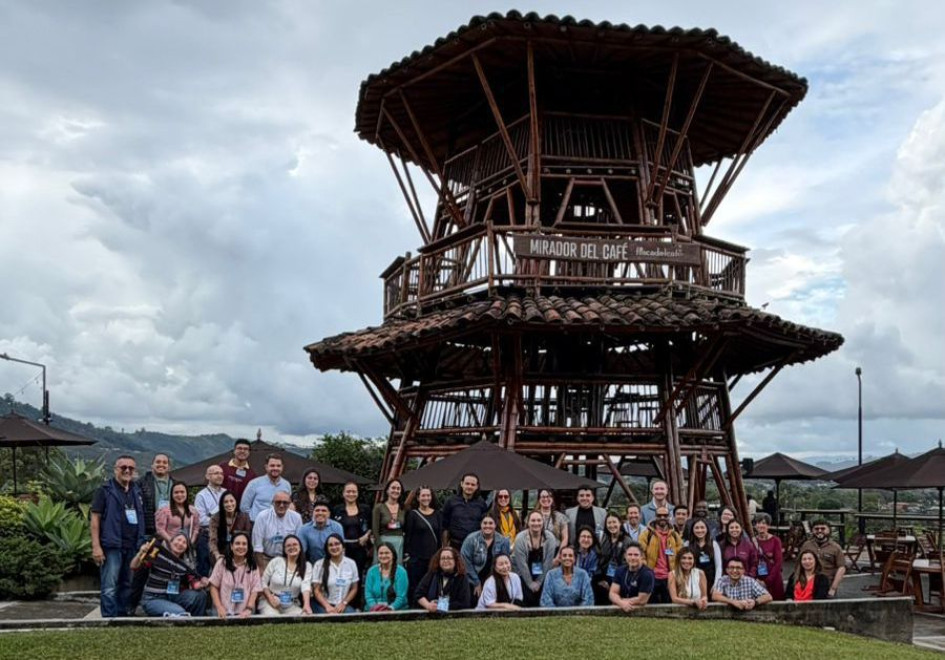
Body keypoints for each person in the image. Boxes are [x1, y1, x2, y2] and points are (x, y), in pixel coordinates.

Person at [90, 455, 146, 618]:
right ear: (116, 469)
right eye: (123, 467)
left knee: (127, 584)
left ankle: (122, 616)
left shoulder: (136, 490)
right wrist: (96, 546)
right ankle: (108, 618)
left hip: (133, 545)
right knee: (109, 585)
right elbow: (95, 519)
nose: (127, 470)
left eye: (131, 468)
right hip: (112, 545)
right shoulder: (104, 490)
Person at [132, 534, 208, 617]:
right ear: (171, 541)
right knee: (180, 613)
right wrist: (140, 553)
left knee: (200, 595)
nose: (180, 544)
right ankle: (148, 611)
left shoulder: (184, 565)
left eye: (184, 542)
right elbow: (134, 566)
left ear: (186, 547)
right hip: (153, 598)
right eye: (178, 540)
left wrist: (202, 583)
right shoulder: (158, 555)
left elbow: (194, 584)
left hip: (173, 596)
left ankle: (195, 623)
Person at [403, 486, 442, 606]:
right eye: (423, 496)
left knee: (432, 583)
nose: (426, 498)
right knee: (415, 584)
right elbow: (408, 536)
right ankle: (414, 607)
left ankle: (432, 605)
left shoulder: (437, 514)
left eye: (428, 495)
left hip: (433, 556)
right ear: (418, 498)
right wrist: (407, 554)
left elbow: (440, 535)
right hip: (417, 557)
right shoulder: (413, 514)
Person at [209, 531, 262, 618]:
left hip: (245, 612)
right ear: (231, 546)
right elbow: (213, 586)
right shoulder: (222, 563)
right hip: (223, 610)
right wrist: (219, 607)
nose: (241, 546)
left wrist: (248, 609)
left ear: (248, 547)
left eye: (244, 544)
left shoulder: (253, 565)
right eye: (237, 543)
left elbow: (255, 590)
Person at [638, 505, 684, 604]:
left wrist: (676, 573)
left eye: (665, 515)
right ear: (655, 516)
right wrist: (647, 570)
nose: (662, 518)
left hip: (669, 577)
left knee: (668, 604)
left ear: (669, 517)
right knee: (651, 605)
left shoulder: (675, 536)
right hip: (652, 576)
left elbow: (681, 555)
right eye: (659, 515)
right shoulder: (646, 534)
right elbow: (641, 554)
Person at [512, 510, 558, 606]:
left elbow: (548, 563)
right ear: (527, 522)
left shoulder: (550, 538)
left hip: (543, 573)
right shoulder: (520, 538)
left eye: (538, 520)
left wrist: (539, 582)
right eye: (533, 520)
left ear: (543, 522)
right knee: (527, 596)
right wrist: (530, 584)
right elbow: (522, 564)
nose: (536, 523)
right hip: (523, 574)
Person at [259, 534, 312, 615]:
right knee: (273, 618)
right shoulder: (276, 561)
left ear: (300, 547)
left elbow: (306, 586)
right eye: (288, 546)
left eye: (295, 544)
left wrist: (306, 605)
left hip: (291, 605)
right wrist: (270, 598)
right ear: (284, 549)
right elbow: (263, 581)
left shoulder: (307, 566)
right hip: (270, 602)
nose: (292, 547)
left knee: (304, 617)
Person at [251, 491, 303, 572]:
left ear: (290, 504)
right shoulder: (262, 517)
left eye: (285, 503)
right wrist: (261, 568)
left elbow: (298, 544)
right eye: (278, 502)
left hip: (288, 559)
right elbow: (257, 546)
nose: (281, 505)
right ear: (272, 503)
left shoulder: (296, 518)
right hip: (265, 558)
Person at [461, 514, 511, 596]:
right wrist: (476, 582)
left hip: (495, 578)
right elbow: (465, 561)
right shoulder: (471, 539)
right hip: (473, 577)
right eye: (485, 523)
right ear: (481, 524)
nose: (487, 526)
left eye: (491, 523)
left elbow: (505, 563)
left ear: (495, 525)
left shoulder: (503, 541)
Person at [332, 481, 372, 580]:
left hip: (360, 548)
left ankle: (357, 595)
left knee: (357, 576)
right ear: (343, 493)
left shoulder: (365, 509)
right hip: (341, 549)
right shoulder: (337, 509)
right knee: (341, 576)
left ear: (357, 493)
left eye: (354, 491)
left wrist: (366, 536)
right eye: (348, 491)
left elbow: (372, 526)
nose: (351, 494)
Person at [311, 533, 359, 614]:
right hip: (323, 604)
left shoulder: (351, 563)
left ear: (343, 546)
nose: (334, 547)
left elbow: (354, 588)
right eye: (330, 545)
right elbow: (316, 591)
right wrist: (327, 606)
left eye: (337, 544)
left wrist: (344, 603)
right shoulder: (319, 564)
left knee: (352, 619)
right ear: (327, 548)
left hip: (343, 604)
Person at [415, 546, 472, 613]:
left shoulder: (462, 577)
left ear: (455, 561)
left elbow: (465, 603)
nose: (445, 561)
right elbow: (418, 594)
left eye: (449, 558)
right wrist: (428, 605)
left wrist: (441, 606)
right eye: (442, 558)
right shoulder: (432, 574)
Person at [799, 519, 846, 597]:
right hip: (807, 585)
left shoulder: (835, 547)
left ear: (829, 530)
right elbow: (799, 564)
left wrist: (833, 588)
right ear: (812, 530)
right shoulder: (806, 545)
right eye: (816, 529)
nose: (819, 531)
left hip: (828, 585)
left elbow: (841, 568)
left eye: (823, 528)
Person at [441, 473, 488, 550]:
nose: (469, 486)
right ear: (462, 484)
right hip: (454, 545)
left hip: (474, 545)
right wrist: (445, 547)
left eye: (473, 484)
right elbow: (445, 526)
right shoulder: (451, 501)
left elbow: (484, 526)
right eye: (467, 484)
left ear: (477, 487)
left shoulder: (481, 503)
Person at [240, 454, 291, 522]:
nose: (275, 468)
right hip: (256, 523)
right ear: (266, 467)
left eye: (278, 466)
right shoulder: (254, 483)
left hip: (279, 524)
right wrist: (253, 520)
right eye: (272, 465)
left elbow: (287, 506)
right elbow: (244, 507)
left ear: (282, 467)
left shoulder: (286, 485)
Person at [194, 465, 225, 576]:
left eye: (221, 473)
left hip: (223, 536)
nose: (220, 476)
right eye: (216, 473)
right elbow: (201, 519)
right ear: (208, 476)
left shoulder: (226, 493)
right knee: (204, 568)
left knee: (222, 567)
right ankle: (203, 592)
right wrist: (219, 522)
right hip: (206, 535)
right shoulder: (201, 495)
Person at [209, 490, 251, 566]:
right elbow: (213, 540)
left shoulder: (244, 517)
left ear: (236, 502)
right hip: (221, 552)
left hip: (240, 553)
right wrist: (217, 555)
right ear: (222, 504)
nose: (229, 504)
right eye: (226, 502)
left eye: (231, 501)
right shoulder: (215, 518)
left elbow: (248, 538)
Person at [138, 453, 177, 537]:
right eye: (158, 462)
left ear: (169, 467)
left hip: (170, 530)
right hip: (148, 530)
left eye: (164, 462)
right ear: (152, 465)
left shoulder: (176, 484)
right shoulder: (141, 483)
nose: (161, 464)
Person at [609, 543, 654, 613]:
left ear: (642, 556)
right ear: (625, 556)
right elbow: (612, 593)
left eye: (636, 555)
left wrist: (620, 602)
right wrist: (621, 603)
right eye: (630, 554)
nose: (632, 558)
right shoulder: (619, 570)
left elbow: (642, 600)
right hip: (621, 608)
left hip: (643, 612)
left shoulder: (647, 574)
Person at [363, 542, 409, 611]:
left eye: (387, 553)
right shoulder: (371, 571)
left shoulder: (401, 572)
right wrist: (375, 608)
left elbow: (401, 597)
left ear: (393, 555)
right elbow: (368, 595)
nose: (383, 556)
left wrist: (389, 609)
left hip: (396, 610)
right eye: (381, 553)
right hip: (373, 610)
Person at [155, 482, 201, 548]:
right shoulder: (164, 511)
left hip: (186, 546)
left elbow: (196, 528)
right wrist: (172, 541)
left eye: (182, 492)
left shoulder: (193, 510)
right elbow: (160, 530)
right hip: (169, 546)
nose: (179, 495)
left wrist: (190, 542)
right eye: (176, 492)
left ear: (187, 493)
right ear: (172, 495)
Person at [299, 499, 344, 564]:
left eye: (324, 511)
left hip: (333, 564)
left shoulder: (337, 527)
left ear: (329, 514)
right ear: (313, 513)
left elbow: (341, 550)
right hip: (312, 565)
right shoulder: (304, 529)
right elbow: (301, 552)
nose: (320, 513)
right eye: (317, 510)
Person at [685, 518, 722, 593]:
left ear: (707, 529)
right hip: (693, 581)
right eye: (697, 528)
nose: (699, 530)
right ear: (692, 530)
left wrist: (716, 584)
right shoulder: (687, 544)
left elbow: (718, 566)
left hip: (710, 580)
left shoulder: (714, 544)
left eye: (702, 527)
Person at [372, 478, 406, 562]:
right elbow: (375, 530)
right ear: (387, 490)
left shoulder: (403, 508)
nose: (396, 490)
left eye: (398, 489)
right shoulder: (379, 507)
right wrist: (380, 546)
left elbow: (405, 527)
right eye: (393, 488)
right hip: (383, 542)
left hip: (399, 542)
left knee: (396, 569)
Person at [598, 513, 629, 604]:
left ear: (620, 523)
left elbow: (627, 564)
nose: (612, 525)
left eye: (614, 522)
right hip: (605, 579)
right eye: (609, 523)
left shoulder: (627, 540)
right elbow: (600, 560)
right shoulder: (604, 539)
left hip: (621, 580)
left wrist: (615, 583)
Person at [754, 513, 784, 600]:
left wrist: (768, 581)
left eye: (764, 523)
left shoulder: (775, 541)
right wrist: (756, 579)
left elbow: (778, 562)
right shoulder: (753, 541)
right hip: (758, 580)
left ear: (768, 526)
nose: (761, 525)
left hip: (774, 578)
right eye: (758, 523)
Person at [219, 438, 257, 507]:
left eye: (245, 449)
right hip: (221, 508)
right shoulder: (222, 467)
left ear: (249, 452)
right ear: (234, 450)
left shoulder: (252, 475)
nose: (242, 451)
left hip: (241, 512)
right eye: (239, 448)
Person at [536, 489, 570, 553]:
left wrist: (558, 556)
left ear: (553, 499)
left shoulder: (561, 517)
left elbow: (565, 538)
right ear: (539, 499)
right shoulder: (533, 516)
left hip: (555, 551)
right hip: (536, 552)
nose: (546, 499)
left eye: (549, 496)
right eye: (543, 497)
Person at [574, 526, 601, 591]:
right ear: (578, 539)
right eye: (583, 536)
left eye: (589, 537)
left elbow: (591, 574)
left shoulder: (594, 555)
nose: (586, 539)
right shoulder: (572, 553)